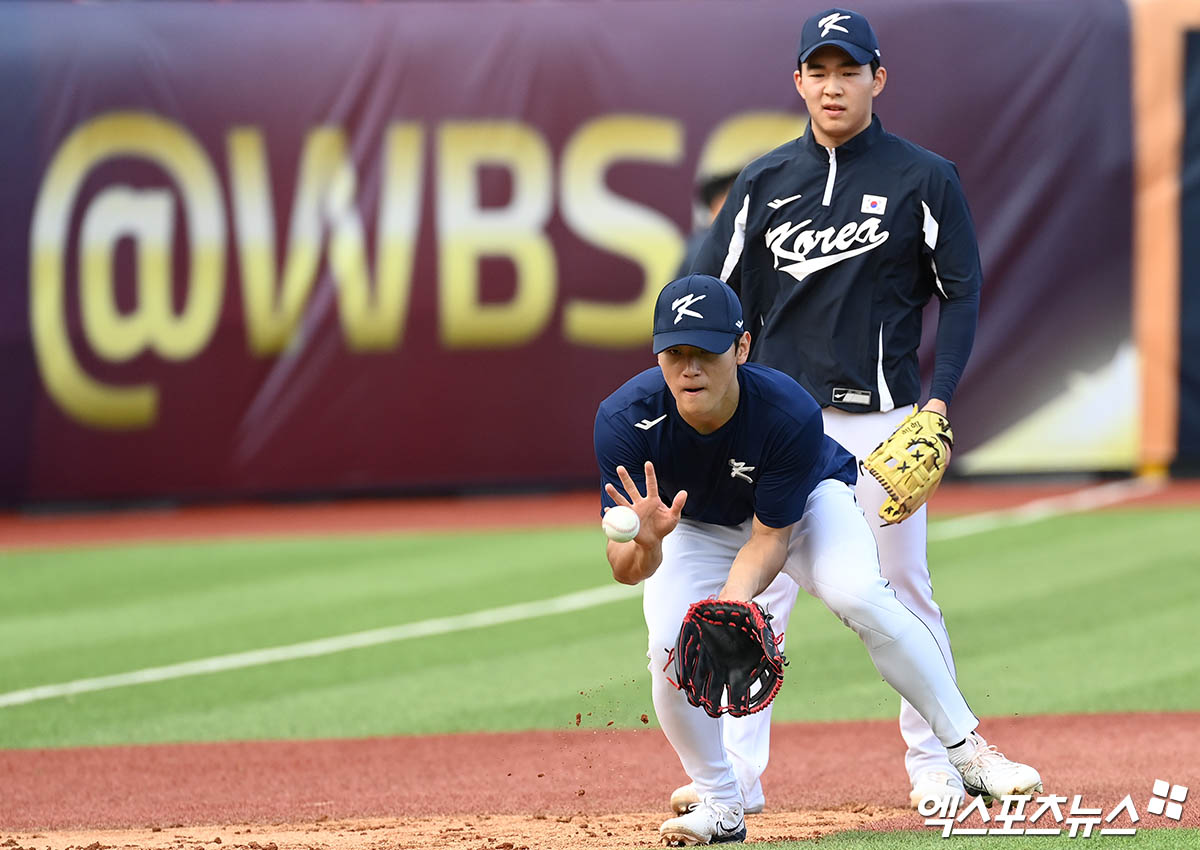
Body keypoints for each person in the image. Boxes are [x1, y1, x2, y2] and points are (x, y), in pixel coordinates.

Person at [594, 274, 1039, 846]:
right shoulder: (624, 420)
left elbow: (770, 539)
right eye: (675, 352)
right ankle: (722, 802)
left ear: (743, 347)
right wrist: (647, 544)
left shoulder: (785, 410)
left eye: (706, 350)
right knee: (666, 649)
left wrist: (729, 604)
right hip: (694, 527)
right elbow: (622, 566)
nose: (690, 368)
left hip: (804, 508)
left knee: (860, 593)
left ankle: (968, 751)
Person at [685, 6, 986, 812]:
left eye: (847, 70)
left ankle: (936, 764)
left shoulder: (925, 177)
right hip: (778, 424)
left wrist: (940, 400)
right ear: (798, 82)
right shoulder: (763, 182)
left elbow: (962, 296)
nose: (832, 85)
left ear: (876, 78)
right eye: (817, 71)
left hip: (882, 422)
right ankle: (736, 779)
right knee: (758, 595)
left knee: (900, 589)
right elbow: (709, 291)